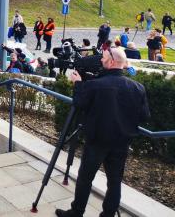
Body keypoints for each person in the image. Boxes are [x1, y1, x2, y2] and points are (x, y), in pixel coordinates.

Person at [55, 48, 150, 217]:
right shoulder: (138, 87)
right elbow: (144, 116)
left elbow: (79, 103)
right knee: (114, 182)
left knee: (85, 179)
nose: (101, 60)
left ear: (112, 62)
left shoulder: (95, 85)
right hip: (122, 142)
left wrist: (77, 84)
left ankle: (76, 213)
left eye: (104, 58)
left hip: (97, 141)